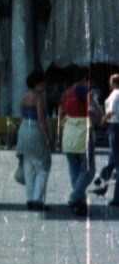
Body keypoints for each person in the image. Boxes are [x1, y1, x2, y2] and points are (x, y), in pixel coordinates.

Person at [58, 77, 102, 217]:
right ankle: (74, 197)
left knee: (75, 170)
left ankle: (80, 203)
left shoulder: (65, 94)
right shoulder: (83, 90)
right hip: (83, 133)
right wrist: (100, 117)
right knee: (89, 170)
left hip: (69, 133)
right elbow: (95, 108)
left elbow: (60, 113)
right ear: (84, 80)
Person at [17, 70, 51, 210]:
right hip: (36, 130)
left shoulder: (24, 97)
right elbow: (41, 120)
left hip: (24, 129)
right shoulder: (38, 98)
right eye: (42, 83)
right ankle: (38, 199)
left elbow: (20, 116)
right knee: (43, 167)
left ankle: (29, 199)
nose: (43, 86)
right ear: (36, 84)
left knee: (28, 166)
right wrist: (48, 138)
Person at [100, 73, 119, 205]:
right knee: (113, 155)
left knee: (115, 155)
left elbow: (111, 111)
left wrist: (102, 121)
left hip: (115, 125)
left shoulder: (115, 94)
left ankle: (103, 177)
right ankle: (103, 176)